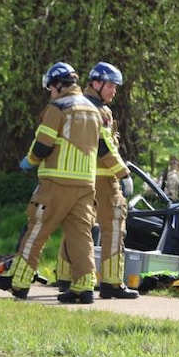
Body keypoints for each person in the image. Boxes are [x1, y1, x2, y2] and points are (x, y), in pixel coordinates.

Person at [0, 62, 102, 304]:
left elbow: (43, 145)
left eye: (51, 88)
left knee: (36, 230)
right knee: (81, 236)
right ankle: (84, 287)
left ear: (59, 85)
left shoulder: (58, 107)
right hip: (85, 186)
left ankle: (19, 283)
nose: (50, 93)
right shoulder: (94, 111)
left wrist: (29, 161)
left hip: (55, 183)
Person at [56, 62, 137, 299]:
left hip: (80, 177)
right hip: (104, 179)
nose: (114, 91)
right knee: (114, 227)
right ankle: (112, 283)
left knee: (76, 227)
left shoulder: (75, 106)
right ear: (97, 83)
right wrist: (123, 173)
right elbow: (104, 147)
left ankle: (66, 276)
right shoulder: (98, 111)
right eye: (111, 85)